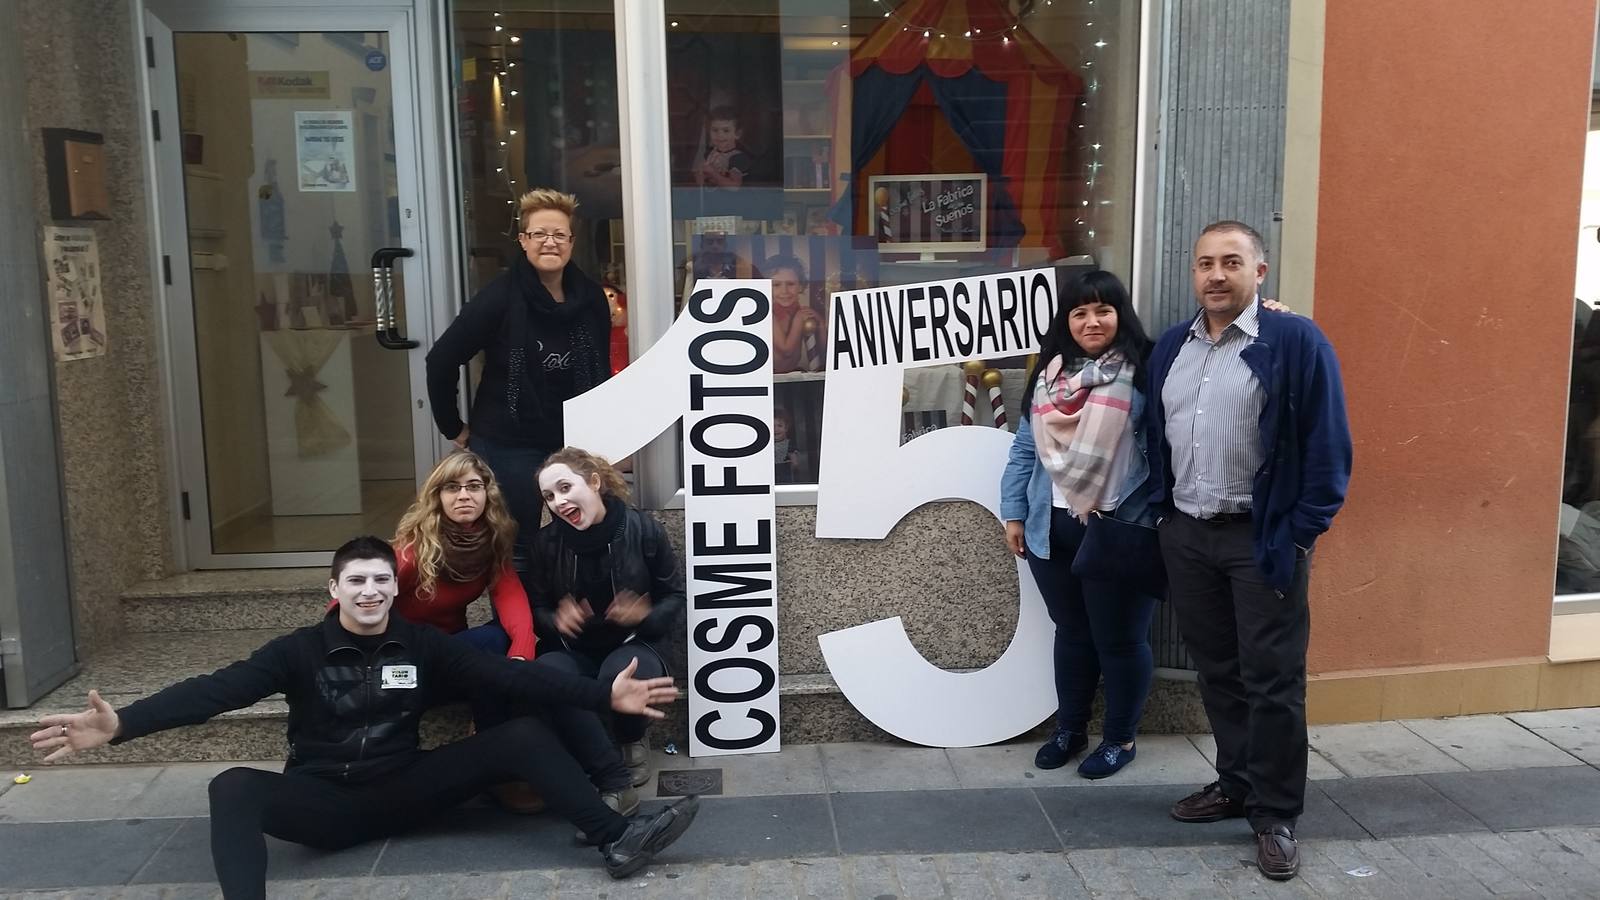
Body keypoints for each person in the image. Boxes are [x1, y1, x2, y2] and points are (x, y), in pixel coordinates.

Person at [29, 537, 699, 899]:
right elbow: (215, 691)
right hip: (321, 802)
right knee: (231, 785)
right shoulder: (297, 651)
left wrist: (603, 698)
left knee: (521, 732)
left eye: (381, 580)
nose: (372, 590)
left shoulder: (422, 644)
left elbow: (508, 675)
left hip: (403, 786)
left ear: (394, 587)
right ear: (334, 590)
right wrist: (122, 725)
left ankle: (616, 837)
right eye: (357, 581)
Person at [1148, 221, 1351, 882]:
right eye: (1204, 262)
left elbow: (1328, 451)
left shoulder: (1295, 341)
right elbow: (1157, 431)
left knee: (1273, 680)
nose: (1215, 274)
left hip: (1260, 538)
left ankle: (1274, 815)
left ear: (1259, 273)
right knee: (1219, 671)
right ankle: (1235, 783)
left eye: (1231, 262)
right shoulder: (1172, 348)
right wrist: (1161, 516)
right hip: (1188, 533)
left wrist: (1297, 532)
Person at [381, 450, 635, 814]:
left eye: (473, 486)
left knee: (499, 644)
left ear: (488, 494)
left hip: (452, 655)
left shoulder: (489, 541)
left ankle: (501, 762)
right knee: (489, 647)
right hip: (403, 663)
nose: (464, 496)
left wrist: (519, 662)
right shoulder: (411, 552)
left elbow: (513, 605)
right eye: (452, 488)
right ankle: (500, 771)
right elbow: (349, 608)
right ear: (437, 497)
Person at [1000, 270, 1159, 780]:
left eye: (1103, 310)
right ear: (1066, 321)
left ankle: (1120, 739)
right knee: (1071, 633)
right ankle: (1070, 729)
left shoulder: (1147, 367)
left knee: (1119, 639)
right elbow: (1024, 450)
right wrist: (1014, 512)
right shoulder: (1049, 377)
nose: (1092, 321)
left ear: (1120, 315)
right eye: (1080, 312)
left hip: (1121, 528)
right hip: (1053, 529)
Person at [425, 188, 611, 579]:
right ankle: (524, 636)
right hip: (509, 439)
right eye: (539, 233)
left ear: (572, 242)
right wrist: (453, 427)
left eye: (560, 235)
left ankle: (570, 622)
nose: (550, 242)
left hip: (574, 438)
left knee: (581, 531)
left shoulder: (592, 297)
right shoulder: (498, 299)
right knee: (517, 543)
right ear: (523, 240)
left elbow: (601, 369)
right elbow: (441, 360)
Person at [529, 448, 684, 795]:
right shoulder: (546, 543)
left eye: (566, 488)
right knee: (547, 674)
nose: (558, 501)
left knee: (622, 671)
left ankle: (630, 741)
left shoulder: (643, 530)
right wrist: (556, 621)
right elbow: (536, 607)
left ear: (595, 482)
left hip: (635, 643)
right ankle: (589, 752)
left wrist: (644, 616)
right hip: (574, 649)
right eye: (550, 496)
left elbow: (675, 596)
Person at [766, 255, 821, 374]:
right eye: (776, 285)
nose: (784, 291)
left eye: (790, 284)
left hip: (792, 373)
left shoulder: (799, 312)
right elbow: (786, 351)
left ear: (800, 286)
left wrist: (820, 322)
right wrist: (798, 320)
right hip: (771, 375)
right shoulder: (769, 315)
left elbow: (824, 349)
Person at [693, 105, 752, 189]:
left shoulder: (738, 158)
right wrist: (700, 173)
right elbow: (700, 182)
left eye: (726, 131)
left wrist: (713, 173)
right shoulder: (709, 154)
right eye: (715, 130)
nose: (720, 135)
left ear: (737, 134)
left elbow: (734, 187)